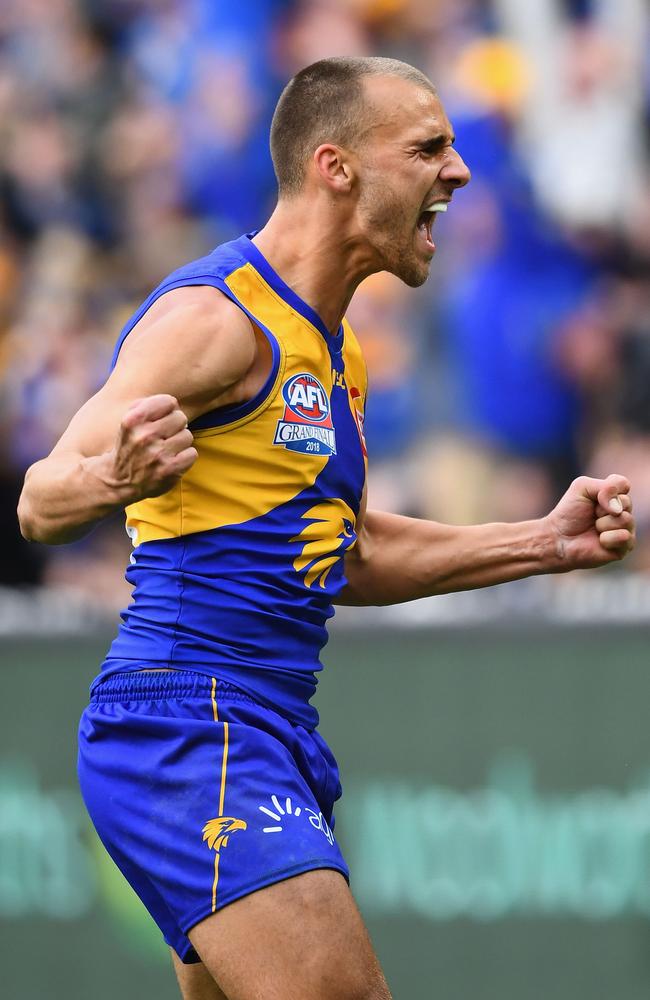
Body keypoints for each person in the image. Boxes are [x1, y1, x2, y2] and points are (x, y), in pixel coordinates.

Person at [17, 57, 635, 1000]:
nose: (460, 171)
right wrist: (112, 475)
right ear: (336, 166)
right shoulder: (218, 318)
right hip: (190, 720)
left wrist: (543, 544)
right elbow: (41, 498)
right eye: (428, 147)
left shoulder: (335, 345)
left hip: (268, 724)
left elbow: (343, 552)